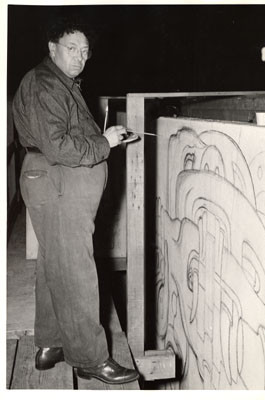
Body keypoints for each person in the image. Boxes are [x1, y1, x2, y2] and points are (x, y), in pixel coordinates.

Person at [12, 16, 139, 385]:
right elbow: (59, 146)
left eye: (85, 51)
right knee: (78, 270)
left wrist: (104, 139)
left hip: (55, 180)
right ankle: (90, 357)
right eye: (72, 49)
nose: (80, 57)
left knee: (55, 263)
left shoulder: (61, 83)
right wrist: (106, 143)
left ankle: (51, 344)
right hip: (57, 181)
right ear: (52, 48)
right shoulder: (44, 82)